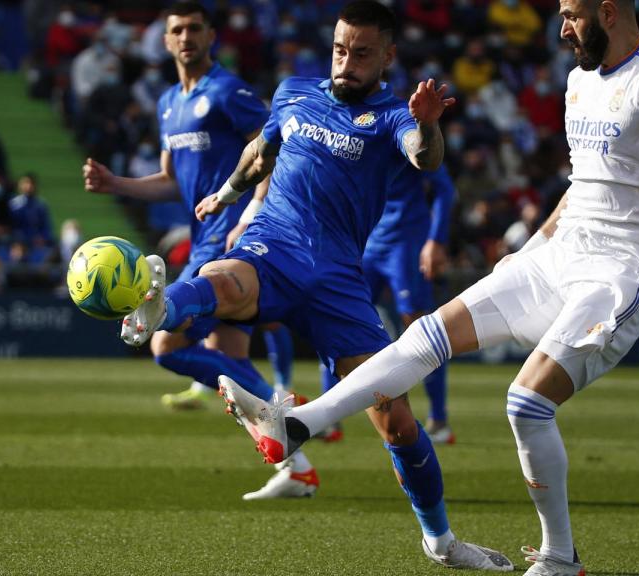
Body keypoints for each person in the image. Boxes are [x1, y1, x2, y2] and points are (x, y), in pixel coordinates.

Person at [220, 1, 639, 575]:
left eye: (570, 14)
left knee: (526, 403)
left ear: (607, 12)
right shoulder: (579, 79)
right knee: (426, 334)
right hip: (557, 255)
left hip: (621, 270)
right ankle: (296, 425)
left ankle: (559, 557)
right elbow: (583, 185)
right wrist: (533, 248)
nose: (561, 28)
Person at [121, 1, 512, 571]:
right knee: (223, 279)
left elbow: (424, 159)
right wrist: (227, 196)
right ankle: (155, 310)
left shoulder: (390, 114)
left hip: (337, 278)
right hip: (274, 243)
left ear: (387, 57)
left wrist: (427, 122)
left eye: (361, 53)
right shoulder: (292, 92)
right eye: (339, 49)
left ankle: (442, 543)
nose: (346, 62)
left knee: (397, 422)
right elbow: (261, 153)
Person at [81, 2, 309, 499]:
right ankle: (295, 460)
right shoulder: (168, 102)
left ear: (211, 36)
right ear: (164, 41)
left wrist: (251, 215)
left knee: (165, 345)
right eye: (176, 30)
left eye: (194, 29)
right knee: (227, 360)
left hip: (233, 239)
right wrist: (114, 183)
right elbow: (170, 181)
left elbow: (275, 151)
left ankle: (287, 420)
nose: (185, 37)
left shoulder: (227, 91)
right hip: (206, 235)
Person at [318, 162, 456, 444]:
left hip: (407, 242)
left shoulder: (406, 129)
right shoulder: (359, 132)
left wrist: (436, 240)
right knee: (337, 318)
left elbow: (445, 188)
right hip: (368, 242)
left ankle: (439, 420)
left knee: (419, 326)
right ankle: (327, 421)